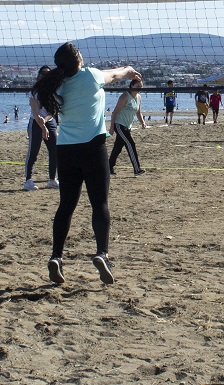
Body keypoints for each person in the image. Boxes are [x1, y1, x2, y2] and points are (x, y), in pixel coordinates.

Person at [32, 42, 140, 285]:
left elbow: (45, 110)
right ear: (79, 60)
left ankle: (56, 257)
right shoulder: (90, 75)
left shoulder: (56, 84)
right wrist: (130, 70)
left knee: (66, 206)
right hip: (93, 147)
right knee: (99, 203)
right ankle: (102, 253)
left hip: (66, 151)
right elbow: (116, 73)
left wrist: (42, 117)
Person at [23, 65, 59, 191]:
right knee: (33, 151)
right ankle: (28, 181)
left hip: (49, 121)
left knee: (54, 151)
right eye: (43, 73)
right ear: (39, 75)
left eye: (48, 74)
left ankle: (52, 180)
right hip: (35, 122)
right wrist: (43, 126)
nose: (45, 76)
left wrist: (46, 120)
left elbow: (53, 111)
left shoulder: (53, 91)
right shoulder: (34, 92)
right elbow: (35, 111)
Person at [109, 78, 148, 176]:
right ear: (132, 85)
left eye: (141, 87)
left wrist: (142, 122)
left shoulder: (138, 97)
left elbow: (139, 112)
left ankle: (109, 167)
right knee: (131, 144)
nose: (139, 88)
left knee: (117, 148)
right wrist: (111, 127)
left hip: (128, 126)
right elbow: (114, 113)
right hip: (119, 125)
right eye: (137, 86)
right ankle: (137, 169)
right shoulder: (124, 96)